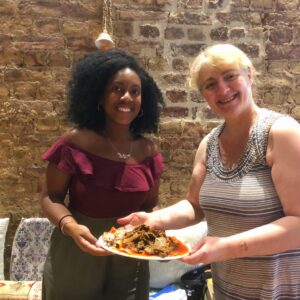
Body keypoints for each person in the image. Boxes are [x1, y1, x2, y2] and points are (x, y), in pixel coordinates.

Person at [118, 44, 300, 299]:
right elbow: (194, 206)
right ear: (203, 95)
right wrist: (154, 221)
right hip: (228, 289)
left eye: (230, 76)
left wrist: (227, 246)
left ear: (249, 76)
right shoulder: (209, 144)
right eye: (210, 84)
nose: (223, 90)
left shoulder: (280, 133)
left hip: (280, 290)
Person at [40, 49, 164, 300]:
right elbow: (50, 196)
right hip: (78, 252)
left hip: (130, 257)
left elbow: (150, 207)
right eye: (117, 89)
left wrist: (155, 237)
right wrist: (71, 227)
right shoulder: (75, 142)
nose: (127, 97)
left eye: (135, 91)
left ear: (143, 101)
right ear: (99, 95)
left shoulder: (148, 152)